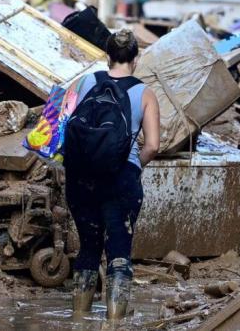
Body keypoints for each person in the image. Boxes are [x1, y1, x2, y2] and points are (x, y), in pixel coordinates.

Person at [64, 29, 160, 320]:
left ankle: (78, 320)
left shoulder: (85, 82)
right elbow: (154, 145)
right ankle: (114, 323)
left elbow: (62, 121)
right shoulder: (145, 93)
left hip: (80, 179)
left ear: (108, 55)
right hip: (121, 180)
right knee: (119, 250)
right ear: (136, 57)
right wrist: (133, 166)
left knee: (88, 248)